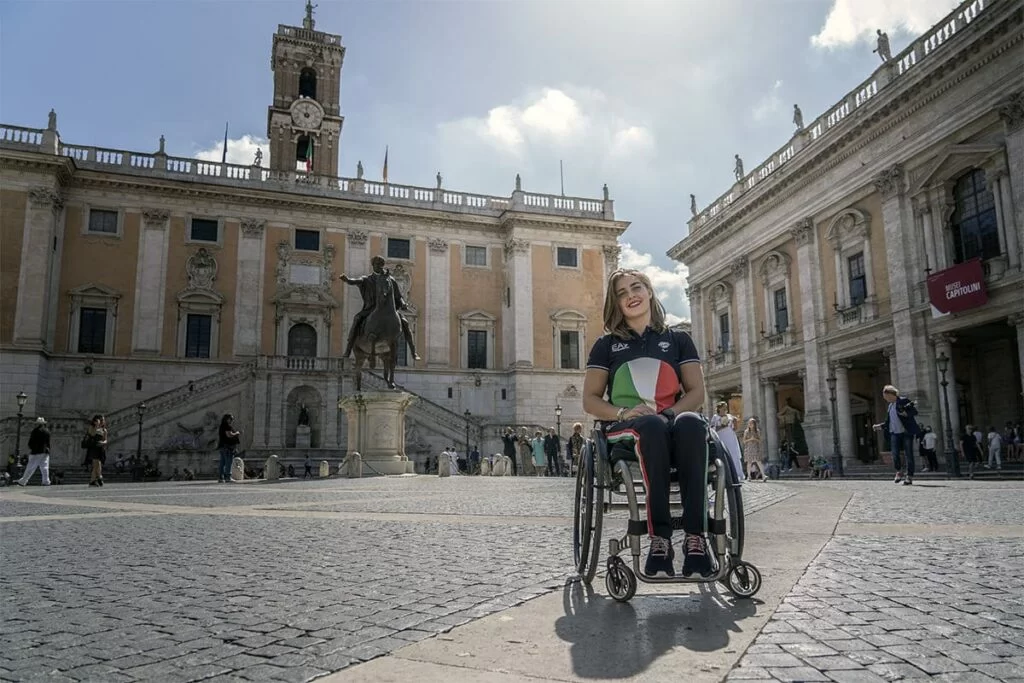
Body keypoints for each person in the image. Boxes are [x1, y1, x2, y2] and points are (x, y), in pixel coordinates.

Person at [583, 268, 712, 580]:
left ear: (650, 291)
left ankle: (696, 539)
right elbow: (590, 400)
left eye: (636, 288)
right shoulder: (606, 345)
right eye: (622, 293)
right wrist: (624, 413)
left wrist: (670, 414)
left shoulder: (679, 340)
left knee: (693, 424)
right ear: (615, 304)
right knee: (651, 427)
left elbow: (697, 393)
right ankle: (660, 539)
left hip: (671, 423)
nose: (631, 296)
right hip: (628, 429)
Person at [340, 256, 419, 361]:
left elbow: (398, 296)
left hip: (389, 310)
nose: (379, 267)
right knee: (357, 319)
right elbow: (356, 281)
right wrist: (348, 280)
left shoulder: (390, 280)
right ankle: (348, 349)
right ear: (373, 266)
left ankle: (413, 352)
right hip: (370, 309)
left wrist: (403, 303)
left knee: (405, 323)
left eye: (381, 264)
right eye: (377, 264)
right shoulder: (367, 279)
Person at [872, 385, 920, 486]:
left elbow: (914, 412)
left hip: (906, 432)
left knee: (909, 455)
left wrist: (905, 414)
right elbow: (888, 422)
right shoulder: (890, 406)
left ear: (890, 394)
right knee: (894, 454)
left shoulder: (903, 400)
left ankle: (909, 476)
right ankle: (899, 471)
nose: (885, 398)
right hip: (894, 433)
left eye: (885, 396)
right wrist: (879, 426)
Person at [711, 403, 744, 481]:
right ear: (719, 409)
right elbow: (713, 429)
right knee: (723, 454)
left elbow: (734, 428)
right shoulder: (715, 417)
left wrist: (735, 423)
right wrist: (722, 426)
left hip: (730, 437)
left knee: (733, 454)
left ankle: (737, 474)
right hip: (721, 437)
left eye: (725, 408)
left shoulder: (730, 416)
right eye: (723, 408)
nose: (725, 409)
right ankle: (724, 474)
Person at [17, 417, 51, 487]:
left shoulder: (35, 431)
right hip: (45, 451)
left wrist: (31, 447)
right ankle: (46, 481)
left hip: (36, 451)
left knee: (31, 467)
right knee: (44, 467)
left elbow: (31, 442)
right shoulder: (47, 431)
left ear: (37, 424)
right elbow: (48, 442)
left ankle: (23, 481)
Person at [83, 414, 108, 487]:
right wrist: (96, 426)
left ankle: (93, 480)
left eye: (103, 420)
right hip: (93, 448)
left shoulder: (104, 430)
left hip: (100, 448)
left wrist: (103, 442)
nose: (103, 421)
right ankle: (99, 477)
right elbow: (92, 434)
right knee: (96, 464)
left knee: (97, 465)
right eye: (101, 420)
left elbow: (106, 440)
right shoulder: (92, 427)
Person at [217, 414, 241, 484]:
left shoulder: (222, 426)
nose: (232, 421)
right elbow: (229, 435)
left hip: (222, 446)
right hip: (227, 446)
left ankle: (221, 478)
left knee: (222, 462)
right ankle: (228, 477)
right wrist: (237, 433)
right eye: (231, 419)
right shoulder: (227, 426)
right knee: (228, 462)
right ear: (227, 419)